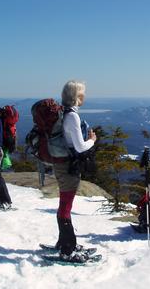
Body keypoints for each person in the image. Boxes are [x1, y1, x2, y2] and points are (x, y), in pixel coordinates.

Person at [54, 80, 97, 263]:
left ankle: (65, 242)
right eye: (82, 93)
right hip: (68, 167)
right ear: (77, 96)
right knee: (66, 206)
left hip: (62, 164)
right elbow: (80, 147)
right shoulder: (72, 116)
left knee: (65, 204)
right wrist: (92, 140)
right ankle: (67, 250)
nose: (84, 96)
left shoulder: (64, 113)